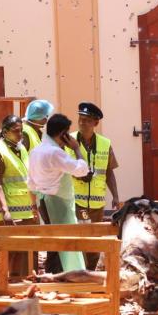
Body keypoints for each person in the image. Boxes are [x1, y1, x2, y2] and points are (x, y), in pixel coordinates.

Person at [28, 114, 88, 272]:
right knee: (64, 244)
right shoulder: (55, 152)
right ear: (63, 134)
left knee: (53, 243)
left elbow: (31, 182)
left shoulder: (35, 151)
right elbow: (81, 170)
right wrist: (76, 148)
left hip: (42, 201)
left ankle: (52, 277)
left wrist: (33, 204)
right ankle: (62, 278)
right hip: (58, 202)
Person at [67, 102, 119, 270]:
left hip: (97, 203)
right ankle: (80, 273)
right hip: (76, 201)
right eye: (80, 119)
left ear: (95, 123)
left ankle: (90, 272)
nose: (82, 123)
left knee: (96, 240)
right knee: (81, 238)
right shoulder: (69, 141)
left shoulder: (105, 143)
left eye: (87, 120)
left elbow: (109, 172)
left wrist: (116, 196)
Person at [0, 115, 38, 276]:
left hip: (26, 210)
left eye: (21, 131)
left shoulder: (20, 148)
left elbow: (25, 178)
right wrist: (5, 211)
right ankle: (5, 286)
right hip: (10, 212)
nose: (20, 134)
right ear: (5, 132)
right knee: (11, 252)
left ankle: (24, 284)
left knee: (27, 251)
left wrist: (34, 205)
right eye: (16, 131)